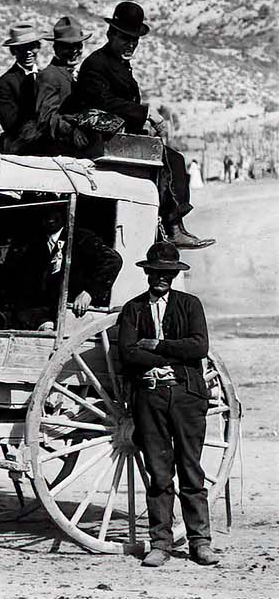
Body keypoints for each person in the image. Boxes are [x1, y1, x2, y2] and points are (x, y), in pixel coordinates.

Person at [75, 2, 212, 249]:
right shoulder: (96, 64)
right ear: (111, 34)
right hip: (99, 140)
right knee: (173, 160)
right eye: (125, 38)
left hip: (120, 135)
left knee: (173, 159)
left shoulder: (117, 63)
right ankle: (172, 228)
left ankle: (171, 225)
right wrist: (146, 113)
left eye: (134, 40)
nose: (130, 45)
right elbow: (104, 101)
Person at [117, 241, 218, 567]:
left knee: (191, 470)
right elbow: (128, 353)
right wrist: (170, 355)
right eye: (156, 272)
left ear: (174, 275)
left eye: (168, 273)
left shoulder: (190, 305)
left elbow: (199, 346)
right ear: (148, 272)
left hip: (186, 396)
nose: (161, 277)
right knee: (159, 474)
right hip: (150, 397)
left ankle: (199, 543)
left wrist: (159, 345)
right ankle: (160, 543)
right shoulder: (132, 309)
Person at [0, 199, 122, 330]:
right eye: (45, 213)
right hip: (40, 311)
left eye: (55, 212)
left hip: (70, 312)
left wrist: (89, 292)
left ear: (63, 213)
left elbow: (113, 260)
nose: (50, 218)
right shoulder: (34, 244)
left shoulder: (80, 238)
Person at [29, 16, 95, 156]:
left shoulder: (78, 74)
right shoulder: (49, 75)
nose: (74, 51)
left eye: (78, 45)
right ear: (56, 48)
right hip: (57, 152)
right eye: (67, 47)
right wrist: (72, 130)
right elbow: (45, 119)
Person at [0, 23, 44, 154]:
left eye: (31, 47)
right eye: (22, 48)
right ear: (14, 51)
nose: (28, 53)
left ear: (38, 48)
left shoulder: (46, 76)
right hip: (22, 147)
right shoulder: (4, 83)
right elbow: (11, 125)